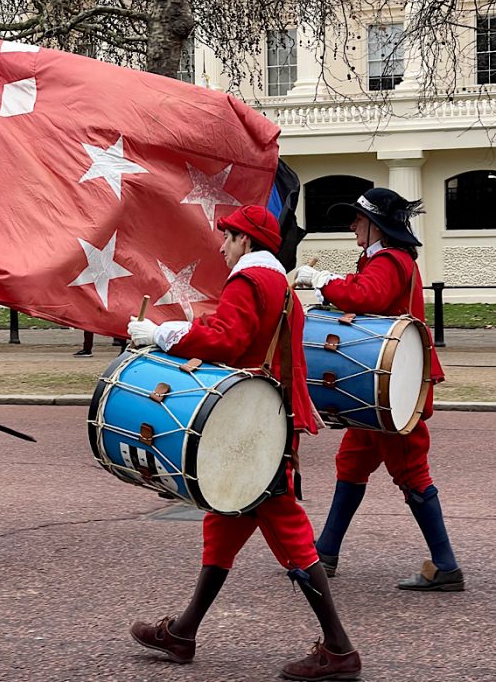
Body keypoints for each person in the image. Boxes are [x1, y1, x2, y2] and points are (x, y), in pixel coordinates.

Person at [127, 205, 361, 681]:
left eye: (227, 237)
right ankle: (184, 631)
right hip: (265, 418)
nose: (222, 245)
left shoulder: (249, 280)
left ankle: (339, 650)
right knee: (224, 523)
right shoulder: (278, 286)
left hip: (254, 424)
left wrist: (163, 334)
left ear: (246, 242)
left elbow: (228, 341)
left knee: (288, 531)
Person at [294, 187, 464, 592]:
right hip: (379, 388)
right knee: (351, 463)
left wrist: (322, 279)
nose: (352, 225)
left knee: (411, 471)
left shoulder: (388, 259)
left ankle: (445, 565)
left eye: (358, 219)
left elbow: (366, 297)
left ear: (376, 225)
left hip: (392, 389)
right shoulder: (382, 258)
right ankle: (326, 553)